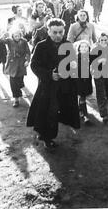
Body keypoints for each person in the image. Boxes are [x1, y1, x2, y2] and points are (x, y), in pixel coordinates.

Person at [26, 19, 80, 149]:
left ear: (64, 31)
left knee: (62, 110)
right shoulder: (41, 46)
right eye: (54, 32)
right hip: (47, 86)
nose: (58, 35)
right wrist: (50, 74)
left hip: (65, 85)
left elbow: (73, 63)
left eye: (60, 32)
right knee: (50, 111)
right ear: (48, 31)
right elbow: (34, 65)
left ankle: (44, 132)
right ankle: (47, 138)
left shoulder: (67, 44)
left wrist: (73, 67)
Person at [90, 33, 108, 124]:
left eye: (105, 40)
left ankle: (106, 108)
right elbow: (91, 62)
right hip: (98, 73)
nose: (103, 42)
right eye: (101, 40)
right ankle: (104, 114)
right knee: (101, 92)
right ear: (99, 41)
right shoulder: (94, 50)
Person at [0, 27, 31, 107]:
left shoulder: (24, 41)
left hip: (21, 63)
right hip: (12, 63)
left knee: (19, 80)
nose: (17, 37)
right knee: (13, 81)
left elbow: (28, 52)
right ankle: (16, 98)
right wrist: (4, 34)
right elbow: (1, 41)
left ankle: (19, 91)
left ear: (20, 35)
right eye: (15, 36)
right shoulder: (9, 40)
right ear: (12, 36)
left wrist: (27, 60)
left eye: (18, 35)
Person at [75, 40, 93, 124]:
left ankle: (80, 111)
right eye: (82, 47)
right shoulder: (77, 58)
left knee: (83, 97)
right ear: (79, 49)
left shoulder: (89, 56)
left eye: (86, 46)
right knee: (82, 97)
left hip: (87, 80)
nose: (84, 48)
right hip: (79, 80)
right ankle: (86, 116)